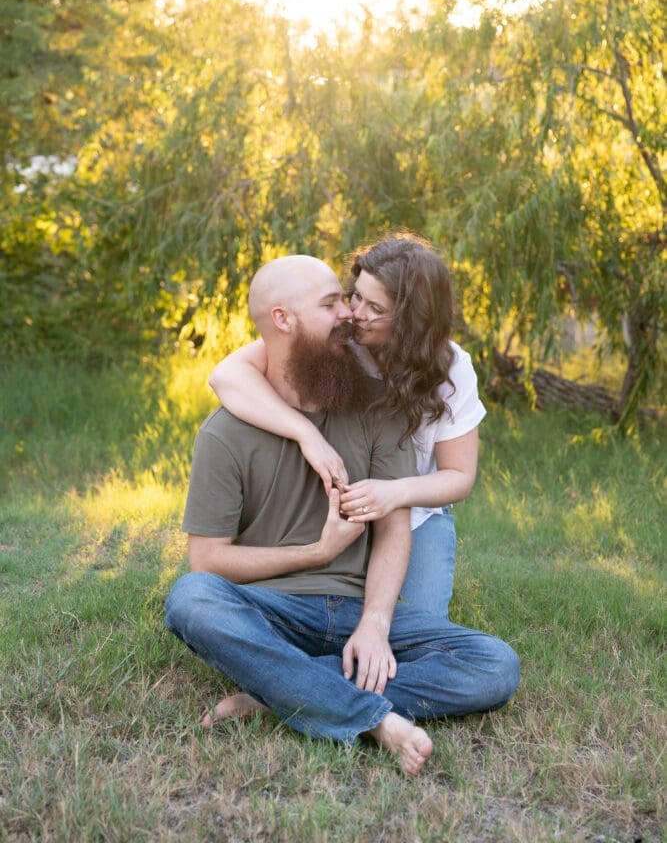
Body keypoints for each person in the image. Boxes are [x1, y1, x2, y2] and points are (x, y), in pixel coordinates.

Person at [165, 255, 520, 776]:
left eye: (358, 305)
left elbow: (403, 518)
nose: (349, 316)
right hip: (276, 610)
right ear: (285, 320)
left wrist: (375, 624)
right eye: (336, 301)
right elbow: (207, 563)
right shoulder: (225, 432)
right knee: (190, 598)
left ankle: (280, 691)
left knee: (495, 666)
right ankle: (370, 716)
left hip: (361, 601)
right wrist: (318, 551)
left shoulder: (386, 402)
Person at [208, 234, 485, 618]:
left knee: (416, 627)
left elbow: (459, 476)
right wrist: (307, 435)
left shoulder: (450, 368)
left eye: (375, 308)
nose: (355, 313)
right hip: (341, 510)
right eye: (356, 295)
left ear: (410, 319)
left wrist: (394, 493)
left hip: (411, 513)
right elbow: (227, 375)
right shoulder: (340, 340)